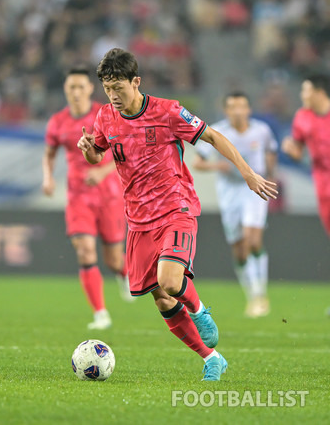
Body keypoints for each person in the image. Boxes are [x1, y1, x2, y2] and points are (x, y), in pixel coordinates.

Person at [77, 48, 277, 381]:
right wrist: (88, 152)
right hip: (138, 220)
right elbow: (98, 154)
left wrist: (247, 173)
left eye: (119, 88)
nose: (112, 95)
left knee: (171, 281)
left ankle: (199, 310)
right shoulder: (104, 117)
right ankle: (212, 357)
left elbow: (212, 136)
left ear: (136, 81)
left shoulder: (168, 111)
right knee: (160, 298)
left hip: (175, 209)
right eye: (107, 88)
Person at [43, 67, 133, 331]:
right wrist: (48, 177)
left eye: (81, 86)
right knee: (84, 250)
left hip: (109, 195)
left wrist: (103, 171)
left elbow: (124, 150)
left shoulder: (105, 114)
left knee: (114, 259)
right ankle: (100, 313)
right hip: (78, 197)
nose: (76, 92)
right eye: (71, 87)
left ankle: (123, 273)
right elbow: (49, 153)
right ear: (65, 90)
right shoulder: (58, 121)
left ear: (90, 89)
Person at [192, 92, 277, 318]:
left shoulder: (262, 130)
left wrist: (270, 174)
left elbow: (271, 152)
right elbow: (198, 162)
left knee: (253, 239)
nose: (238, 111)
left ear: (249, 109)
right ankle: (251, 295)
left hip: (254, 190)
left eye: (242, 106)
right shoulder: (218, 132)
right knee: (240, 251)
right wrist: (217, 166)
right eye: (232, 107)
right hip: (229, 194)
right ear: (226, 111)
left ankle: (260, 294)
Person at [282, 73, 330, 236]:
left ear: (320, 93)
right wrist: (290, 149)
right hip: (322, 180)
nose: (302, 95)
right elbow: (298, 153)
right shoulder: (302, 117)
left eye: (306, 91)